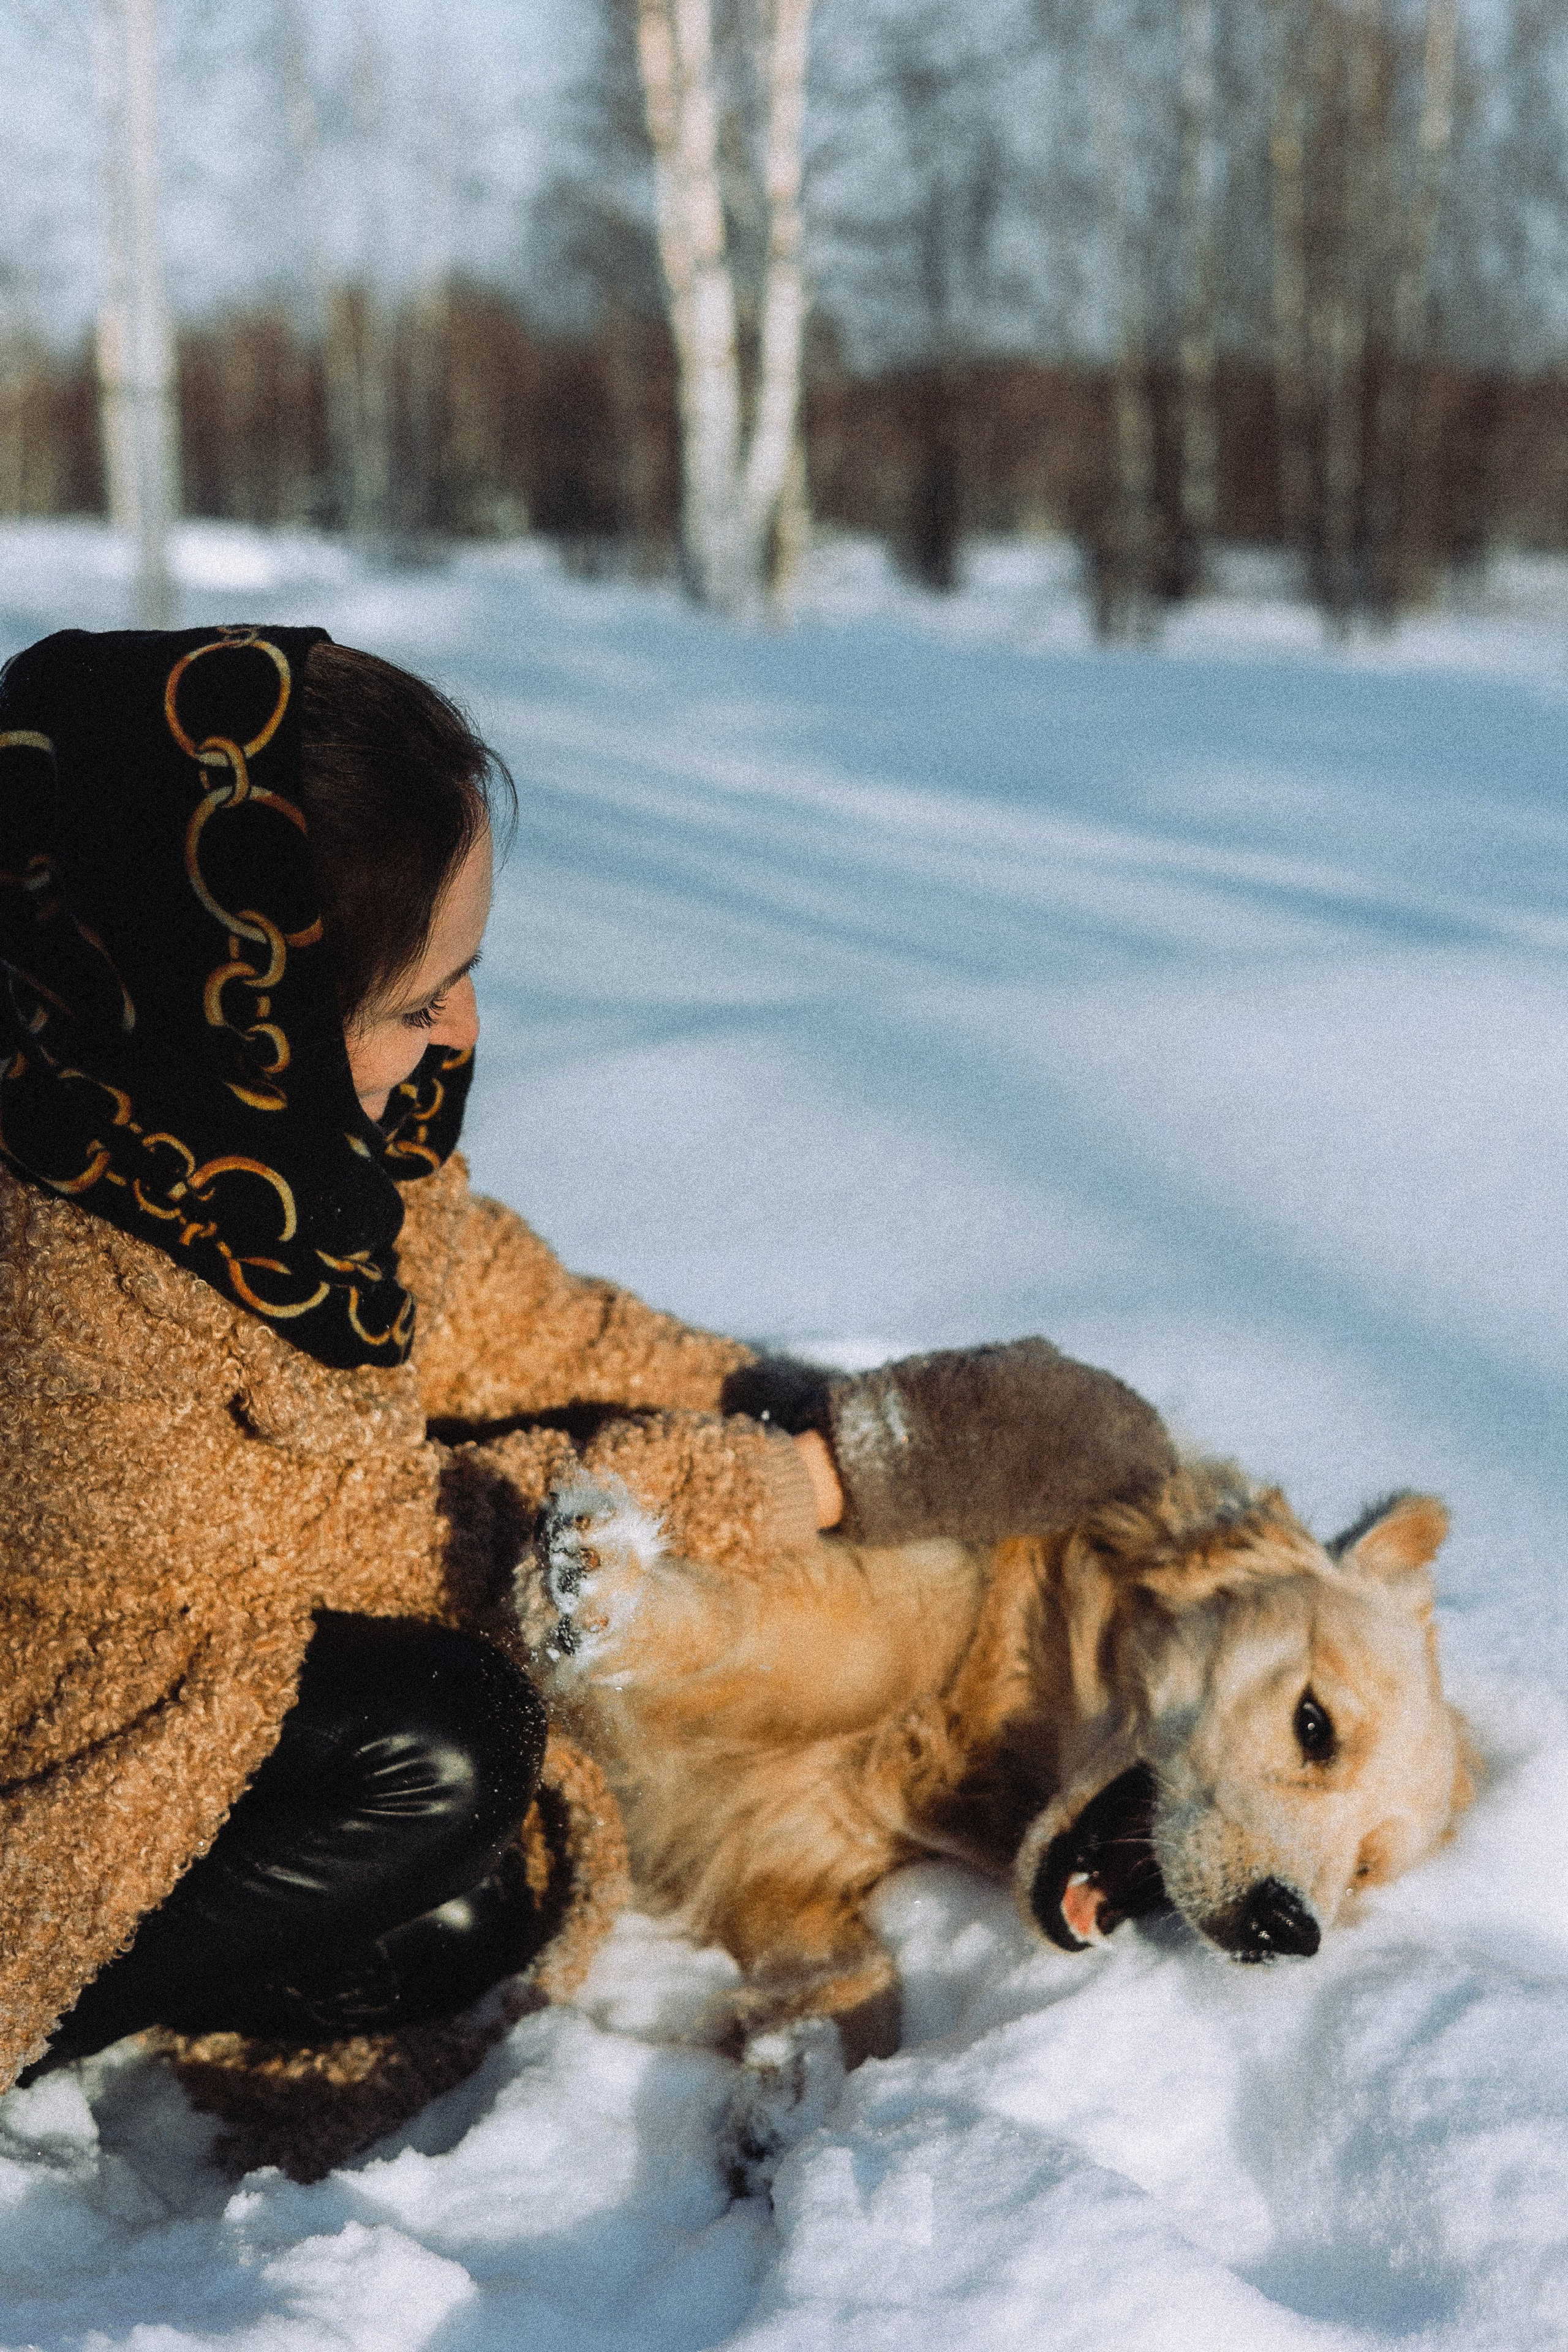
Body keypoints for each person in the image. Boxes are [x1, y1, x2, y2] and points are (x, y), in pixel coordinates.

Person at [0, 625, 1174, 2098]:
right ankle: (51, 1996)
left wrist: (807, 1407)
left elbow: (524, 1319)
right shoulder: (51, 1292)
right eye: (416, 1003)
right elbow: (426, 1538)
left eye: (470, 972)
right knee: (449, 1746)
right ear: (242, 997)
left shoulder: (261, 1145)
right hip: (55, 1739)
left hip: (206, 1681)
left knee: (475, 1905)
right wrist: (802, 1482)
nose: (464, 1032)